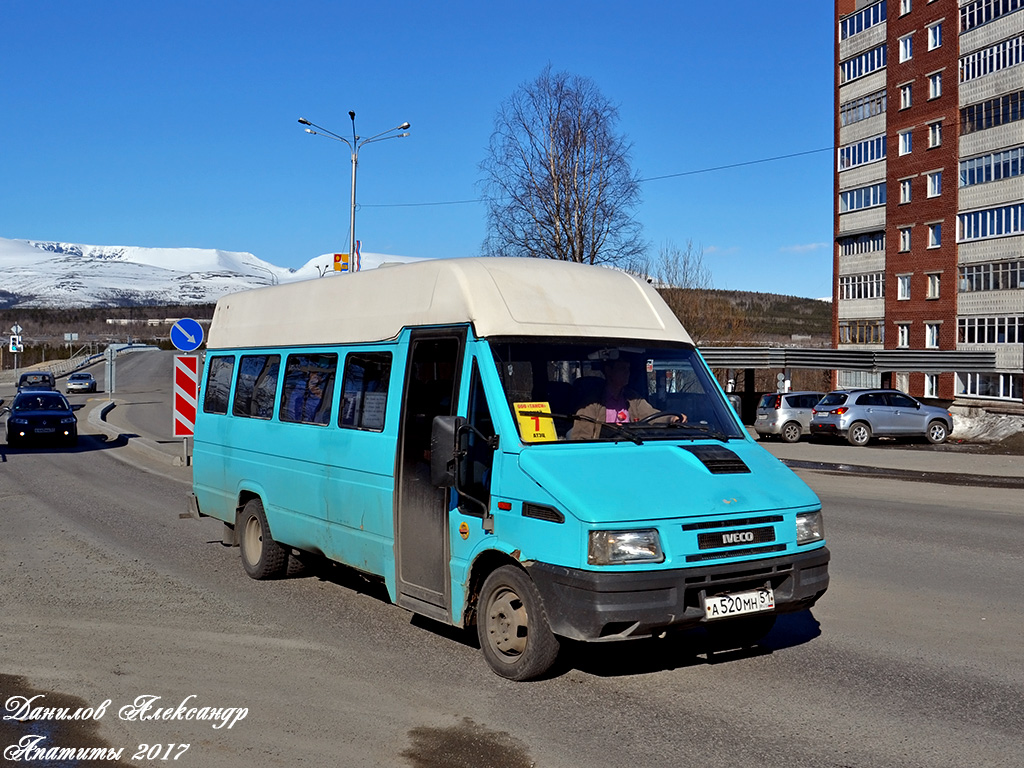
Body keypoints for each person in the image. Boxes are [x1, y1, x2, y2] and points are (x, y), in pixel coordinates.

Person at [570, 358, 685, 440]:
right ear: (609, 371)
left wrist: (672, 418)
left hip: (632, 451)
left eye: (628, 368)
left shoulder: (633, 399)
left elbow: (651, 415)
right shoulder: (591, 403)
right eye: (622, 368)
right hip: (604, 456)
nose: (627, 372)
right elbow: (581, 438)